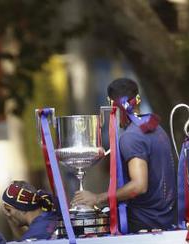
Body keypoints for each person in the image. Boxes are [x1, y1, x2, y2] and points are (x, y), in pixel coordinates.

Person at [73, 78, 177, 232]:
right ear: (138, 99)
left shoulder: (131, 137)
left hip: (144, 224)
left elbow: (139, 186)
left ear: (111, 104)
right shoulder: (155, 127)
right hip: (167, 219)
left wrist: (98, 198)